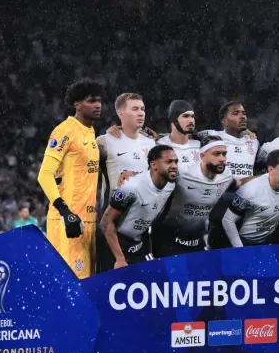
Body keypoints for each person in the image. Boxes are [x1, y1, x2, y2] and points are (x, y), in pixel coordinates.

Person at [140, 136, 253, 257]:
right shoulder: (182, 174)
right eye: (216, 154)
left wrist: (266, 176)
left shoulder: (226, 175)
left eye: (224, 154)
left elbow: (237, 183)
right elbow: (152, 179)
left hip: (197, 241)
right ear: (202, 155)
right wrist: (129, 175)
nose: (222, 159)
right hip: (167, 240)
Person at [37, 78, 104, 279]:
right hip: (68, 221)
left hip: (89, 220)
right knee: (69, 285)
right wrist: (66, 212)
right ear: (77, 104)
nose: (98, 105)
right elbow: (45, 175)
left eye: (99, 100)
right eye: (92, 101)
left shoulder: (92, 133)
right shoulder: (65, 131)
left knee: (88, 286)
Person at [97, 145, 177, 271]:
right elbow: (105, 222)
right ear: (154, 165)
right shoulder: (131, 188)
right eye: (168, 162)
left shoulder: (171, 183)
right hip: (116, 246)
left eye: (176, 161)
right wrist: (119, 259)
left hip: (140, 243)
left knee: (154, 281)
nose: (174, 166)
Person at [222, 150, 279, 247]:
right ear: (271, 169)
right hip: (243, 242)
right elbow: (228, 220)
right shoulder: (250, 192)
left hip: (267, 242)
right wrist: (239, 249)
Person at [97, 93, 156, 210]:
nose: (141, 113)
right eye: (135, 109)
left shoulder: (150, 143)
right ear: (120, 113)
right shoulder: (104, 141)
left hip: (142, 215)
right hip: (112, 216)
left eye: (142, 109)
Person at [198, 101, 259, 180]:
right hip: (221, 189)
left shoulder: (253, 141)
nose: (243, 116)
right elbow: (188, 135)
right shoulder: (213, 136)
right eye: (236, 113)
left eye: (244, 113)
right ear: (224, 122)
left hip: (247, 190)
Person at [156, 100, 201, 173]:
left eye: (192, 116)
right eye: (185, 116)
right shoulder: (159, 146)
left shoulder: (199, 146)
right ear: (173, 120)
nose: (191, 120)